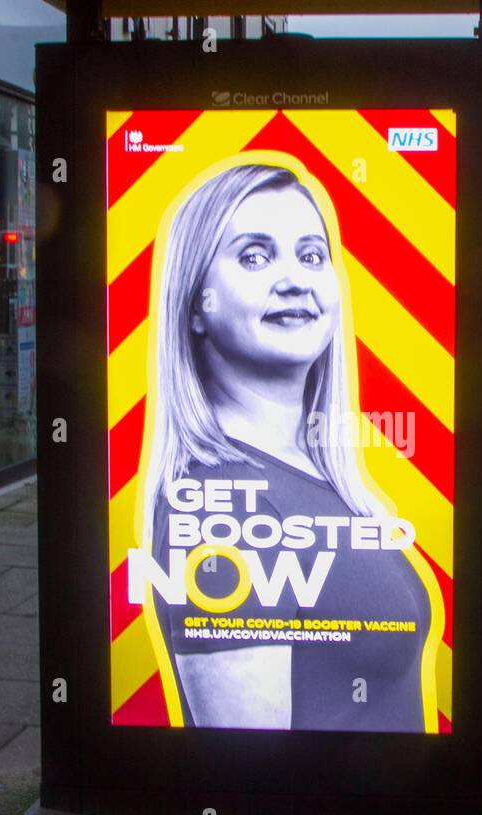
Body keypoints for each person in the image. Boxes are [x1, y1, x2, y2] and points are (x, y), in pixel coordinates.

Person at [141, 163, 432, 733]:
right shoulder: (219, 506)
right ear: (196, 302)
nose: (294, 279)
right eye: (254, 256)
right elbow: (251, 777)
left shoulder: (307, 469)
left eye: (311, 255)